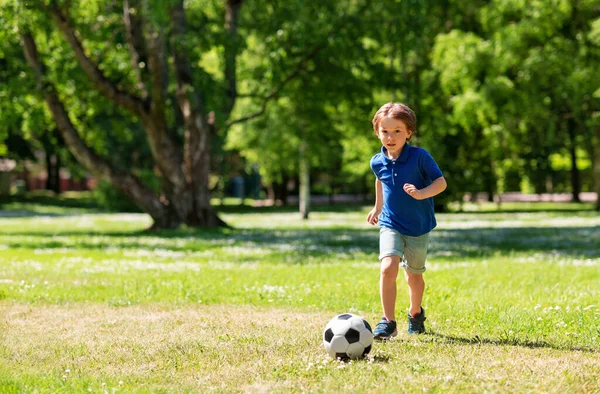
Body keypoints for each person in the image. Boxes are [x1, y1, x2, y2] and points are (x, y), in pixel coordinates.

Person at [366, 102, 447, 339]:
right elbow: (380, 180)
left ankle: (415, 313)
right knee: (388, 267)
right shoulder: (377, 161)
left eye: (397, 131)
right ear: (377, 132)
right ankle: (388, 321)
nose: (390, 137)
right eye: (385, 132)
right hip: (391, 222)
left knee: (414, 275)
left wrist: (422, 193)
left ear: (409, 132)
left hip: (418, 226)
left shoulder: (420, 157)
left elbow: (441, 183)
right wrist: (378, 207)